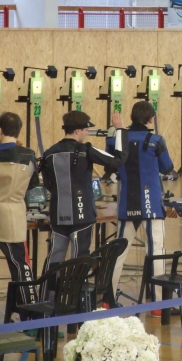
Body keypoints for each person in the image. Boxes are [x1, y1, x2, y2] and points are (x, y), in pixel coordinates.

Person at [109, 101, 175, 315]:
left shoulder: (117, 139)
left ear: (131, 117)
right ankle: (157, 306)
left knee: (118, 253)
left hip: (127, 203)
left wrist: (116, 133)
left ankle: (107, 301)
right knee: (156, 252)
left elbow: (109, 163)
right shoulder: (157, 140)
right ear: (151, 119)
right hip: (152, 203)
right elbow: (168, 168)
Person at [41, 110, 128, 274]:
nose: (87, 133)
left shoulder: (49, 153)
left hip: (57, 215)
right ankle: (75, 290)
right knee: (80, 259)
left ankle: (48, 290)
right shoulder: (86, 150)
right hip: (82, 215)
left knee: (55, 257)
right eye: (86, 130)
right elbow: (118, 161)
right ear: (77, 131)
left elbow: (48, 184)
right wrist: (121, 131)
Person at [0, 112, 40, 318]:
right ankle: (30, 313)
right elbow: (34, 184)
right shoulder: (29, 155)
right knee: (21, 267)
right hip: (14, 215)